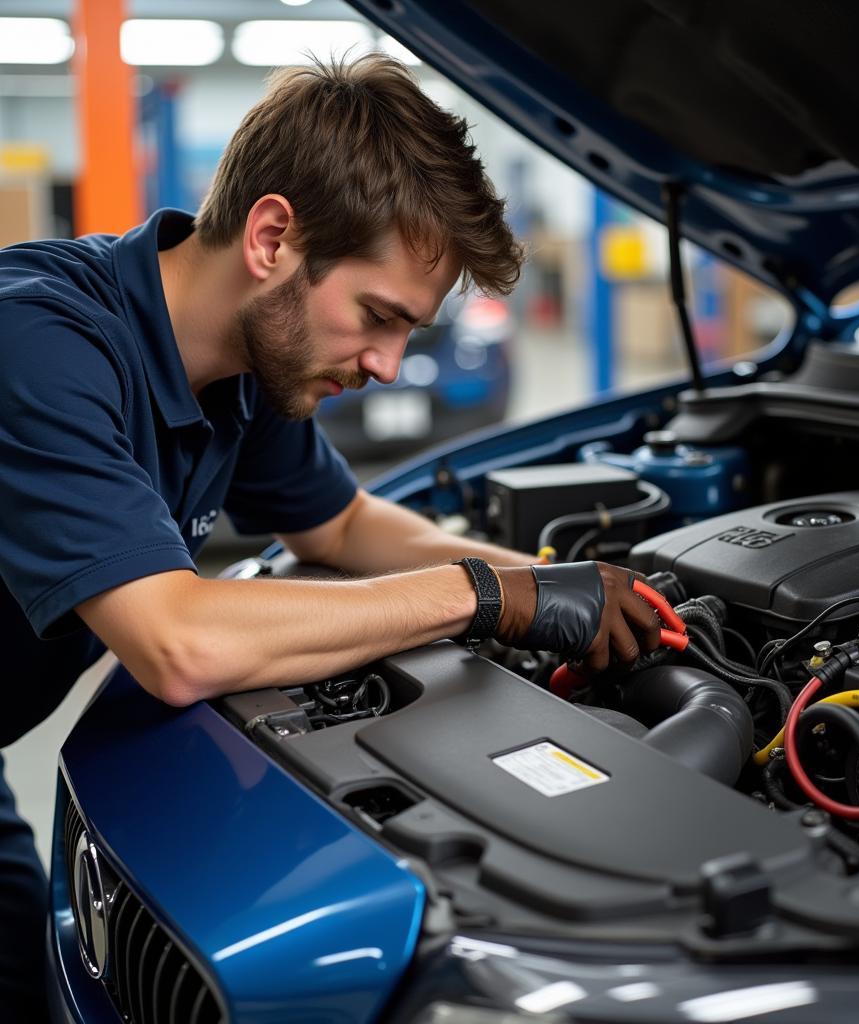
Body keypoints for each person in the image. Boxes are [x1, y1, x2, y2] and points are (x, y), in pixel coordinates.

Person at [0, 56, 661, 1019]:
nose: (390, 366)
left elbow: (340, 523)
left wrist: (566, 586)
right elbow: (179, 642)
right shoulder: (39, 345)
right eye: (378, 317)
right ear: (272, 237)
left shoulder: (244, 364)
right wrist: (482, 592)